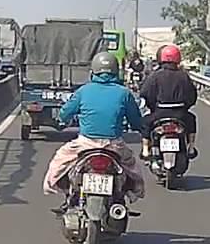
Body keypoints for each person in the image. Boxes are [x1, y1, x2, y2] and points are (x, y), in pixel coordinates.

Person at [43, 52, 146, 206]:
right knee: (133, 168)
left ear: (93, 71)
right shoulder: (124, 93)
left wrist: (62, 120)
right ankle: (135, 192)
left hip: (86, 143)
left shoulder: (83, 91)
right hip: (114, 145)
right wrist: (138, 128)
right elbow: (136, 119)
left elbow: (64, 113)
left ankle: (55, 188)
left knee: (59, 162)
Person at [139, 44, 199, 158]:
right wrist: (185, 107)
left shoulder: (155, 76)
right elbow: (192, 96)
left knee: (145, 122)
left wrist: (153, 107)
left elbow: (145, 93)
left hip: (159, 113)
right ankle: (191, 147)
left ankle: (145, 149)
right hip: (180, 114)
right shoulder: (184, 76)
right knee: (191, 120)